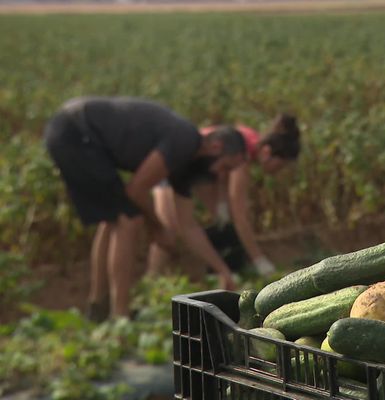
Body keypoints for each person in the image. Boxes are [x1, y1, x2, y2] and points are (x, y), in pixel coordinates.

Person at [44, 96, 246, 321]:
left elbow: (188, 226)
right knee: (129, 220)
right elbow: (136, 191)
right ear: (216, 147)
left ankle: (98, 307)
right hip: (76, 132)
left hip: (75, 132)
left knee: (114, 219)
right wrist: (157, 227)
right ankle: (120, 314)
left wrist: (222, 270)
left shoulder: (185, 164)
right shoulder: (184, 140)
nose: (221, 175)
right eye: (225, 167)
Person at [146, 114, 301, 277]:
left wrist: (221, 202)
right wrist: (260, 261)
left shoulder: (250, 140)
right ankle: (153, 279)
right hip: (173, 164)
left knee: (221, 225)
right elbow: (239, 216)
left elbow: (221, 174)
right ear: (267, 152)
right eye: (281, 165)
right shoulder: (242, 157)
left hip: (197, 171)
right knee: (168, 228)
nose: (279, 171)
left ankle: (219, 270)